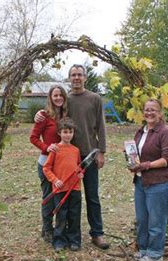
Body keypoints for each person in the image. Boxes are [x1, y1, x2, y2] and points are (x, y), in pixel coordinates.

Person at [36, 64, 109, 249]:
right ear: (69, 78)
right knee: (66, 197)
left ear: (85, 77)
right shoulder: (65, 99)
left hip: (89, 155)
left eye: (80, 75)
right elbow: (51, 111)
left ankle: (97, 233)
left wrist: (101, 151)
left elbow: (101, 125)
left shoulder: (94, 98)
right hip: (67, 157)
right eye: (73, 75)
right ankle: (65, 232)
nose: (76, 77)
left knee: (92, 196)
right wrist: (39, 114)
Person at [129, 98, 168, 261]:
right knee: (142, 219)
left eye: (153, 110)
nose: (149, 112)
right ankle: (143, 249)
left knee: (156, 220)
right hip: (141, 182)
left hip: (159, 183)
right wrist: (132, 160)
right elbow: (136, 152)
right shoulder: (141, 131)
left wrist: (146, 165)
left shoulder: (166, 133)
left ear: (160, 113)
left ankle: (155, 253)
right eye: (146, 109)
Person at [30, 85, 68, 243]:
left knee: (61, 198)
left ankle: (61, 228)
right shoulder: (44, 116)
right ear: (50, 98)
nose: (58, 98)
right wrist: (46, 147)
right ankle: (47, 229)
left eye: (61, 95)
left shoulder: (66, 115)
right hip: (47, 163)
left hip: (63, 164)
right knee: (49, 197)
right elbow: (33, 137)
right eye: (55, 95)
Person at [43, 117, 84, 251]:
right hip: (60, 189)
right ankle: (59, 240)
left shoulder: (75, 150)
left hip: (75, 188)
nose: (68, 135)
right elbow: (46, 168)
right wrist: (55, 180)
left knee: (74, 215)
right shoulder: (55, 149)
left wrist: (79, 174)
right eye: (65, 132)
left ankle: (74, 240)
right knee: (61, 215)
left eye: (70, 132)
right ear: (59, 132)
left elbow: (77, 167)